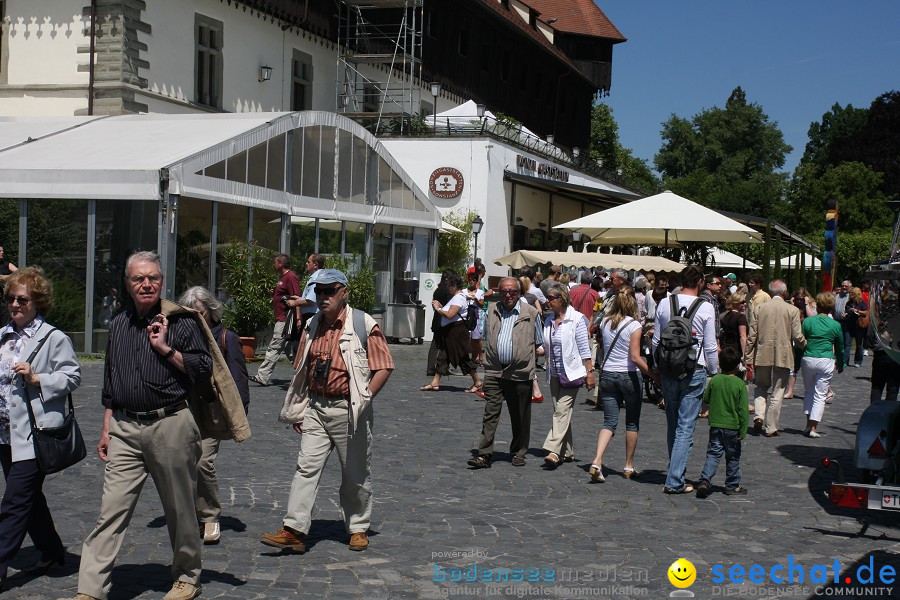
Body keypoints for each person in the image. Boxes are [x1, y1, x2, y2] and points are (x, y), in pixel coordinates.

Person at [72, 251, 212, 600]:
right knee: (111, 511)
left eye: (153, 278)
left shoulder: (182, 321)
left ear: (162, 282)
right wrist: (107, 426)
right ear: (128, 284)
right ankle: (90, 590)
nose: (146, 284)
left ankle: (186, 577)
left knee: (180, 509)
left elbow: (202, 367)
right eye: (139, 279)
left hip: (170, 425)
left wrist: (165, 349)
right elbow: (112, 380)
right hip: (124, 427)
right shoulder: (119, 323)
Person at [261, 269, 394, 553]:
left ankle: (358, 527)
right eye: (319, 291)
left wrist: (365, 397)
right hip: (317, 408)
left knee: (355, 472)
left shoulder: (362, 323)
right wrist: (300, 409)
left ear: (344, 292)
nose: (323, 297)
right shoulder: (311, 324)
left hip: (349, 409)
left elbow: (383, 365)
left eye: (329, 291)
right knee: (305, 468)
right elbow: (301, 370)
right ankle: (294, 530)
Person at [0, 267, 80, 590]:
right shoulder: (3, 336)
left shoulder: (53, 338)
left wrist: (38, 379)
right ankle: (51, 549)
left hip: (34, 436)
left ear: (38, 302)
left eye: (22, 299)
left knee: (14, 503)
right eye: (10, 299)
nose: (15, 305)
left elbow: (73, 377)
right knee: (29, 498)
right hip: (5, 435)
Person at [177, 286, 250, 545]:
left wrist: (240, 412)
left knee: (202, 462)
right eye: (190, 313)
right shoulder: (180, 334)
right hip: (183, 406)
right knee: (183, 462)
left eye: (199, 312)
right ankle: (191, 513)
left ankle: (210, 517)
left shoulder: (226, 337)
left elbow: (238, 378)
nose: (196, 317)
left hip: (212, 409)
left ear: (210, 310)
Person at [651, 265, 719, 494]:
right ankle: (674, 480)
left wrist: (656, 367)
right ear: (700, 282)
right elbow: (710, 346)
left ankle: (675, 469)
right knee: (685, 425)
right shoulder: (706, 307)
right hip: (694, 369)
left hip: (668, 368)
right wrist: (714, 371)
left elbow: (656, 341)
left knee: (672, 421)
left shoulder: (664, 303)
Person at [467, 278, 543, 469]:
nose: (508, 295)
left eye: (513, 292)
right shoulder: (492, 310)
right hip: (494, 369)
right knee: (490, 413)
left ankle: (518, 452)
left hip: (520, 372)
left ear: (519, 293)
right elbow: (484, 336)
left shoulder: (531, 313)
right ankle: (484, 454)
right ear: (499, 293)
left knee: (520, 415)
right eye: (504, 292)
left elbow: (539, 342)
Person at [589, 286, 656, 483]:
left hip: (608, 374)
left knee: (609, 422)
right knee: (632, 422)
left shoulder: (606, 322)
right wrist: (651, 373)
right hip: (629, 376)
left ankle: (597, 460)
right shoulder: (634, 326)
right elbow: (635, 357)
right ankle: (628, 465)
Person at [541, 283, 594, 467]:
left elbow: (584, 348)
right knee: (561, 413)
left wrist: (590, 373)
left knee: (561, 412)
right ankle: (568, 451)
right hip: (554, 373)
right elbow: (545, 345)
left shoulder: (577, 319)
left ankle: (554, 451)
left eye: (551, 298)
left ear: (562, 299)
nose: (547, 301)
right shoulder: (548, 320)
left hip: (572, 373)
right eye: (547, 298)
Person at [745, 280, 806, 438]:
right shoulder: (792, 310)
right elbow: (797, 335)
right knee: (778, 391)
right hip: (783, 354)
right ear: (784, 293)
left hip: (762, 353)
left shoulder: (759, 308)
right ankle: (771, 427)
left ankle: (759, 415)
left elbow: (752, 336)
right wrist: (806, 345)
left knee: (761, 386)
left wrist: (748, 356)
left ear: (770, 292)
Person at [695, 347, 749, 498]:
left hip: (716, 425)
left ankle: (705, 481)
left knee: (713, 454)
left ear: (719, 363)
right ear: (738, 366)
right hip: (733, 427)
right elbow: (743, 410)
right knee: (732, 457)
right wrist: (743, 430)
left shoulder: (715, 380)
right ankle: (732, 485)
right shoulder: (739, 384)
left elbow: (705, 398)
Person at [420, 273, 482, 393]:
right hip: (450, 333)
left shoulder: (459, 297)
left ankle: (477, 382)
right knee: (443, 356)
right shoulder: (457, 297)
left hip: (456, 334)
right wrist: (442, 307)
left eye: (449, 286)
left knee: (463, 357)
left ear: (454, 285)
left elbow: (450, 315)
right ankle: (435, 382)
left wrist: (438, 308)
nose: (447, 288)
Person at [251, 253, 301, 386]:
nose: (274, 264)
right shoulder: (283, 277)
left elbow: (296, 297)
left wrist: (298, 318)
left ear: (281, 264)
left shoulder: (291, 277)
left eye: (275, 262)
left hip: (285, 319)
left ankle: (262, 376)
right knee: (290, 351)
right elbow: (285, 293)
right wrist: (275, 292)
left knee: (274, 347)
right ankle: (304, 374)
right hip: (281, 318)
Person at [799, 292, 844, 438]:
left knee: (808, 392)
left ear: (817, 305)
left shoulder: (807, 322)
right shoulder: (835, 325)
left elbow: (801, 341)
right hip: (826, 359)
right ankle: (813, 427)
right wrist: (841, 363)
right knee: (820, 395)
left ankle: (807, 424)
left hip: (809, 358)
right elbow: (840, 346)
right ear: (832, 307)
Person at [784, 288, 816, 399]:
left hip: (808, 339)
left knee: (811, 368)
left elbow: (813, 318)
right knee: (793, 365)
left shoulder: (812, 305)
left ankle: (828, 391)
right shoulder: (793, 306)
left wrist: (806, 304)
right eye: (797, 299)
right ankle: (790, 391)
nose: (799, 301)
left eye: (801, 299)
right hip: (795, 338)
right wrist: (792, 304)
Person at [425, 270, 455, 379]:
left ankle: (431, 367)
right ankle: (441, 368)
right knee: (444, 345)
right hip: (444, 319)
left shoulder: (438, 289)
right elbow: (449, 306)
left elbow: (433, 304)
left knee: (435, 344)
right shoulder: (448, 291)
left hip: (437, 319)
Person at [465, 271, 486, 366]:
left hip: (475, 315)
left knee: (476, 337)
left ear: (477, 281)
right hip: (465, 315)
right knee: (465, 337)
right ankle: (466, 357)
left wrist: (475, 299)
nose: (471, 282)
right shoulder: (464, 291)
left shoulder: (480, 292)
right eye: (470, 280)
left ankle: (475, 356)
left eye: (474, 280)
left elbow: (481, 305)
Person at [844, 286, 868, 368]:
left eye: (852, 293)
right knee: (847, 344)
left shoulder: (862, 303)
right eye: (850, 293)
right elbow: (846, 311)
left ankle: (858, 361)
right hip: (849, 325)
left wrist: (857, 311)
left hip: (859, 326)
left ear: (856, 294)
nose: (850, 294)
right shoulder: (848, 303)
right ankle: (845, 361)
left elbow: (865, 313)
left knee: (859, 345)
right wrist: (845, 314)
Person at [0, 246, 18, 327]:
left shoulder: (7, 264)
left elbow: (20, 273)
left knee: (5, 324)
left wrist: (6, 277)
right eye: (0, 251)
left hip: (3, 300)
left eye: (3, 251)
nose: (2, 252)